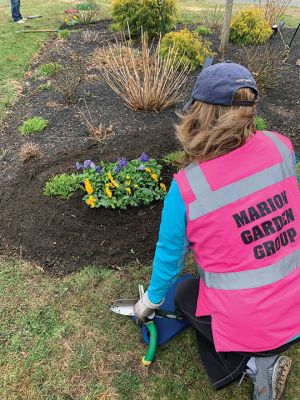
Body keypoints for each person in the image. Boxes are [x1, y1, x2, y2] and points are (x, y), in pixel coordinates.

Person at [134, 62, 300, 400]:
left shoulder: (187, 187)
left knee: (184, 294)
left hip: (254, 324)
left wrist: (149, 303)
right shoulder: (282, 146)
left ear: (200, 113)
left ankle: (257, 366)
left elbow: (170, 259)